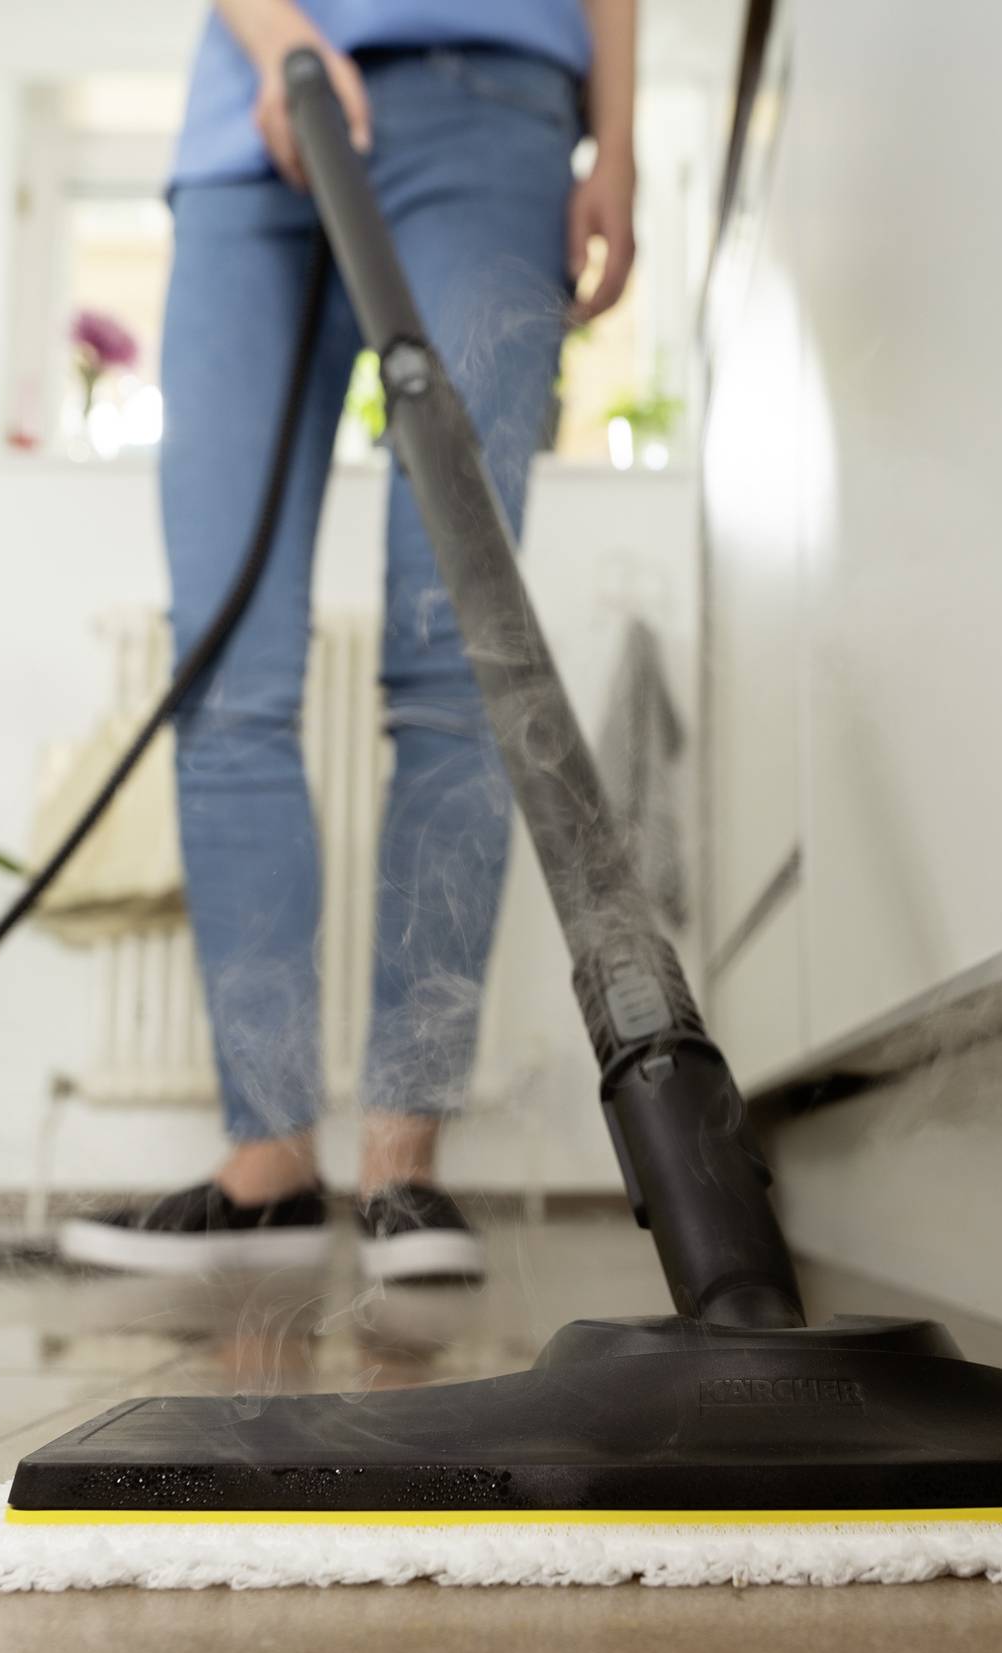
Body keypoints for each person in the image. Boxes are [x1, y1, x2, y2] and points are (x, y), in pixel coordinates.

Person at [59, 0, 637, 1283]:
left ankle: (403, 1164)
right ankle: (267, 1166)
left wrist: (620, 148)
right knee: (228, 675)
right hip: (246, 137)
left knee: (458, 663)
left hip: (492, 109)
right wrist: (279, 45)